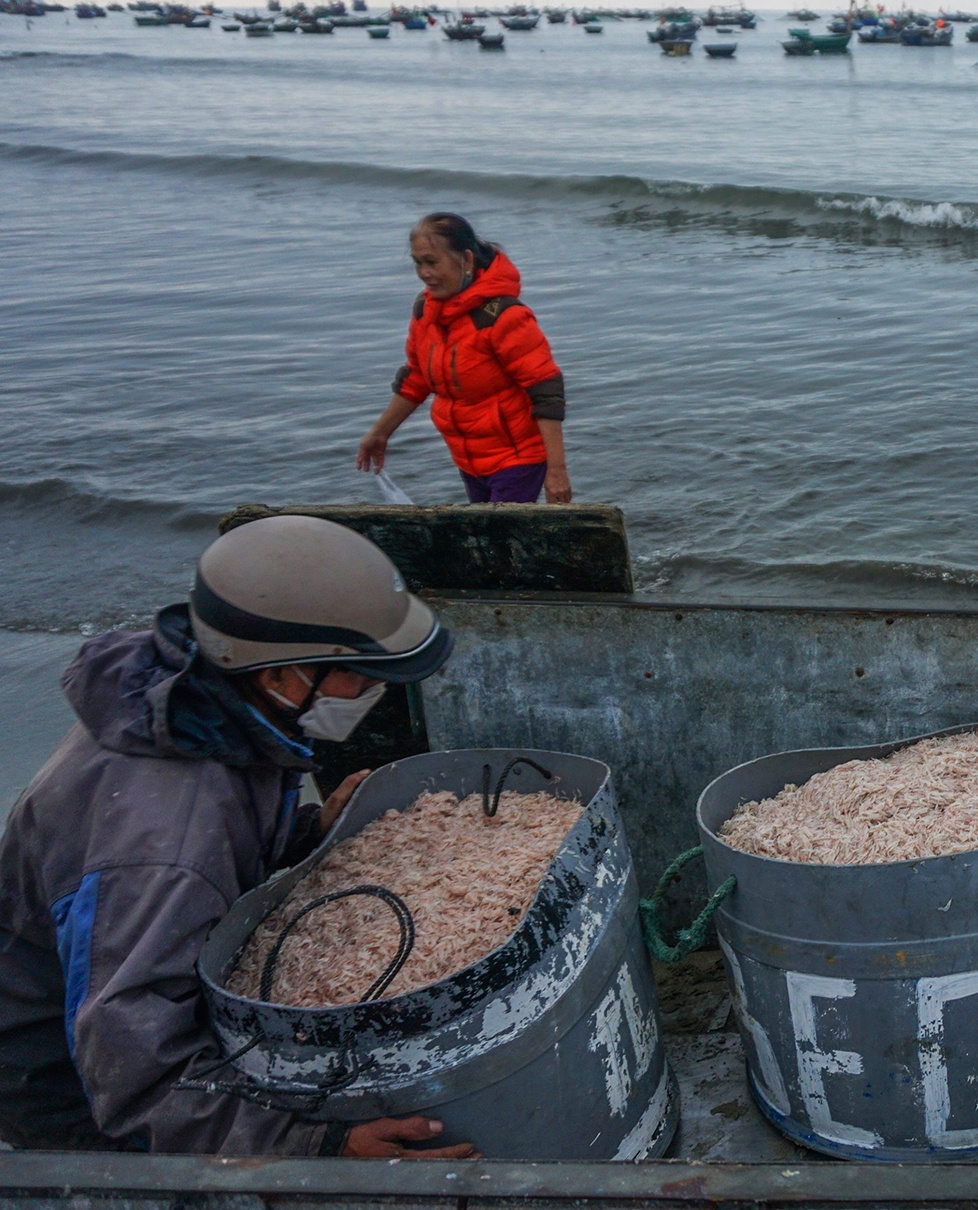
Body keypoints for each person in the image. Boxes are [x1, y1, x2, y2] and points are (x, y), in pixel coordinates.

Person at [0, 516, 475, 1158]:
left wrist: (307, 833)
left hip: (116, 994)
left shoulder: (190, 701)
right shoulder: (164, 843)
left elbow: (215, 842)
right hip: (66, 1081)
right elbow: (133, 1066)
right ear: (277, 673)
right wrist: (315, 1148)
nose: (373, 690)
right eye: (358, 674)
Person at [357, 213, 572, 505]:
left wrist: (557, 471)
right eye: (417, 263)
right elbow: (417, 377)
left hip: (518, 459)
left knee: (496, 532)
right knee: (484, 530)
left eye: (432, 262)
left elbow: (546, 389)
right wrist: (380, 432)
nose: (424, 273)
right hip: (469, 460)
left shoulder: (504, 317)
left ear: (467, 260)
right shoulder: (426, 311)